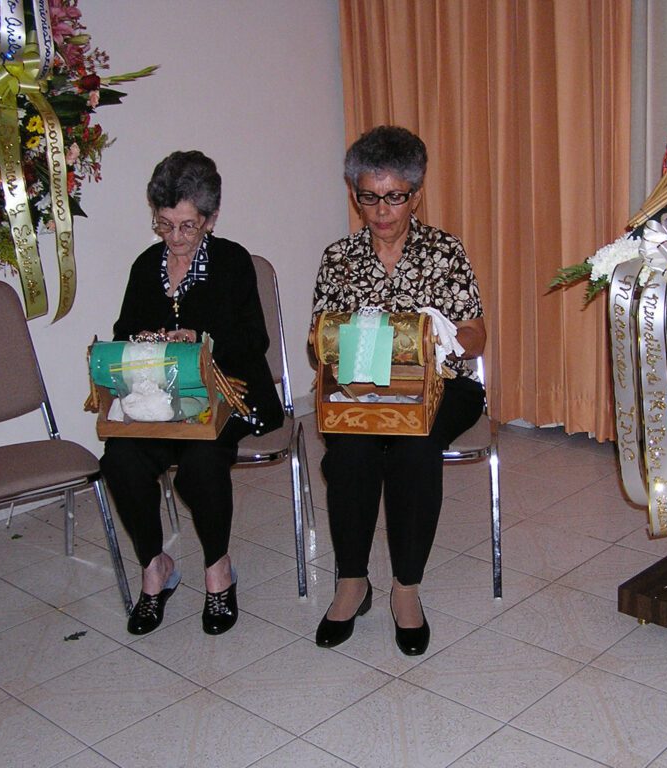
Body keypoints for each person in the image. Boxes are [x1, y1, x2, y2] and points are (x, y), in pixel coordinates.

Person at [310, 126, 487, 656]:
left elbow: (477, 337)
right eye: (369, 197)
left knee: (414, 447)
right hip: (362, 388)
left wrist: (442, 334)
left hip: (442, 386)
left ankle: (406, 587)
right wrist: (338, 344)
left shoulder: (445, 250)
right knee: (350, 451)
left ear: (416, 193)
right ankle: (352, 581)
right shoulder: (338, 258)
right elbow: (319, 341)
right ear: (355, 195)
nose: (382, 210)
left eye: (395, 197)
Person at [100, 150, 283, 637]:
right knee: (119, 459)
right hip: (159, 403)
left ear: (210, 218)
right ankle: (154, 565)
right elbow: (123, 333)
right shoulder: (145, 267)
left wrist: (200, 342)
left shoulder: (233, 262)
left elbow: (254, 342)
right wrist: (146, 342)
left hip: (230, 395)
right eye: (164, 225)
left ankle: (217, 568)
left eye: (188, 226)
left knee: (201, 463)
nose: (175, 238)